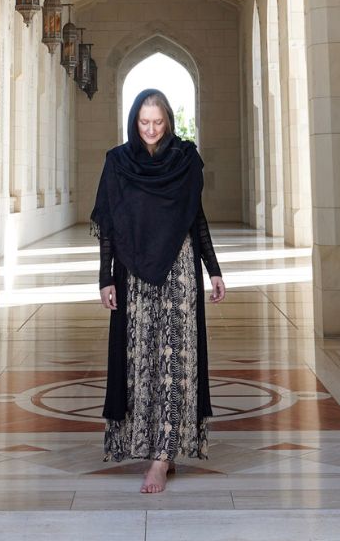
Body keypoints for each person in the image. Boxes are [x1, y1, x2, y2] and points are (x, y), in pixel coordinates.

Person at [91, 88, 226, 494]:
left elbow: (195, 217)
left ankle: (163, 456)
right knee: (141, 363)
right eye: (143, 122)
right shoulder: (118, 162)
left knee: (176, 361)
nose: (151, 130)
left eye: (158, 122)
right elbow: (109, 226)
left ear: (169, 122)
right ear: (135, 121)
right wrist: (105, 277)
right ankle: (147, 445)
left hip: (179, 270)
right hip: (133, 272)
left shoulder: (185, 160)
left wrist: (213, 269)